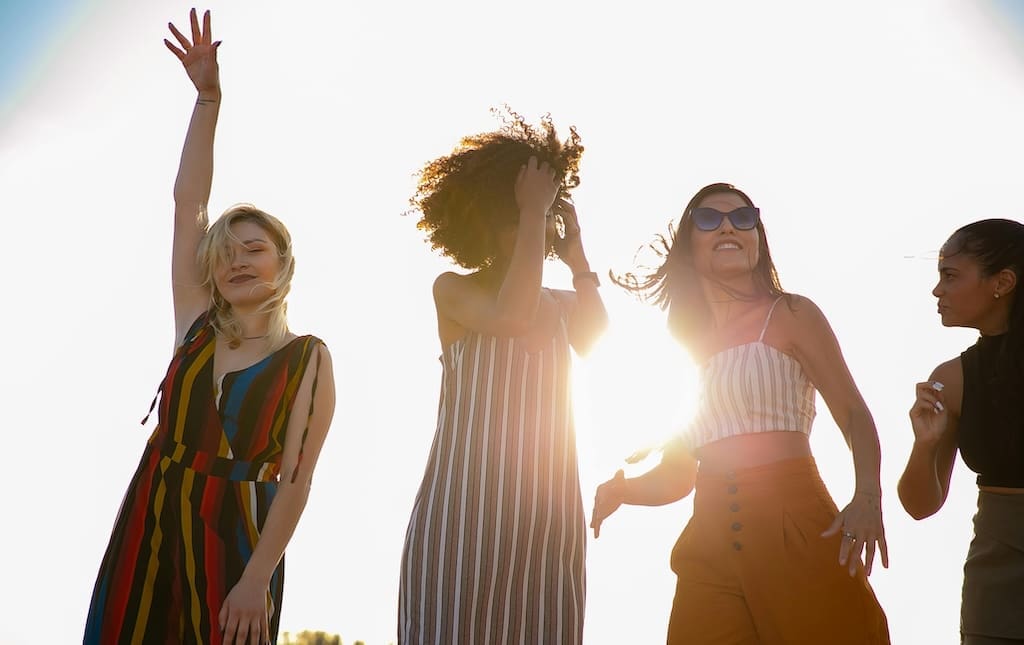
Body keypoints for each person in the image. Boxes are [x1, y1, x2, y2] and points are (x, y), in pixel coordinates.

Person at [83, 10, 335, 644]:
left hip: (240, 534)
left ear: (282, 262)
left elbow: (297, 482)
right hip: (151, 513)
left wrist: (257, 578)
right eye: (225, 253)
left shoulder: (308, 358)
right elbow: (187, 203)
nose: (236, 261)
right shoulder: (195, 321)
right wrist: (207, 99)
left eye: (253, 249)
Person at [591, 182, 890, 644]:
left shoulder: (792, 313)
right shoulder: (685, 347)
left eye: (743, 217)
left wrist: (868, 497)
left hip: (795, 525)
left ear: (758, 234)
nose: (728, 226)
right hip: (708, 543)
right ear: (690, 243)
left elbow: (852, 413)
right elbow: (677, 477)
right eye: (709, 219)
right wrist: (622, 491)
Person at [398, 111, 608, 644]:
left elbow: (598, 334)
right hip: (460, 528)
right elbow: (511, 316)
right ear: (489, 222)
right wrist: (535, 208)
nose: (537, 224)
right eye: (519, 214)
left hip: (547, 533)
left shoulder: (560, 304)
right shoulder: (454, 291)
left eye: (544, 214)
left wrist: (576, 252)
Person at [898, 219, 1024, 644]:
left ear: (1002, 282)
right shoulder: (950, 381)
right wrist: (924, 444)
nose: (937, 291)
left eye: (950, 276)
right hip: (996, 576)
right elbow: (920, 505)